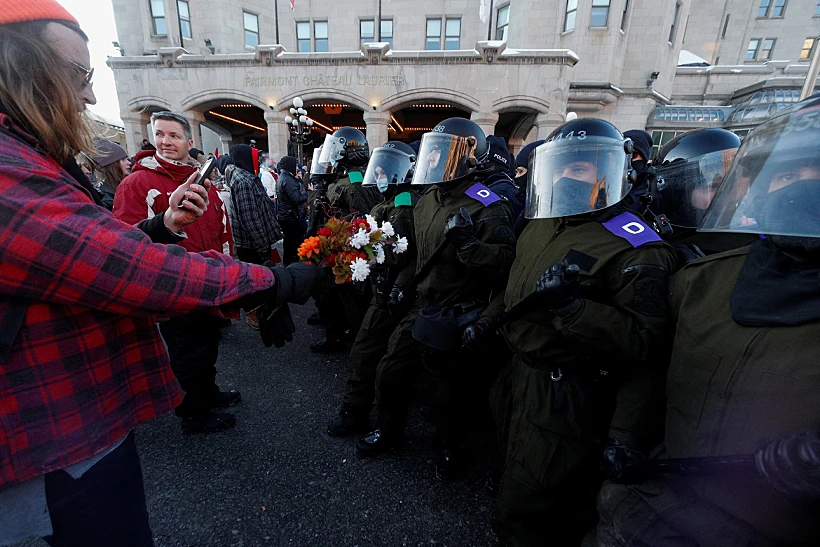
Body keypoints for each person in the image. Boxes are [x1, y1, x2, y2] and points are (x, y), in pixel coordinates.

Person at [0, 3, 319, 544]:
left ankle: (206, 396)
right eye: (78, 77)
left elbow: (95, 249)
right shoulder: (12, 169)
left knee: (204, 357)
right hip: (51, 439)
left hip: (78, 422)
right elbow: (121, 266)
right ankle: (197, 408)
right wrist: (272, 281)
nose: (91, 97)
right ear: (20, 68)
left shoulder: (31, 157)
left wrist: (164, 225)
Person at [588, 95, 820, 547]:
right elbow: (652, 369)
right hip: (666, 500)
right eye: (787, 174)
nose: (801, 189)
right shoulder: (703, 280)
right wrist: (624, 440)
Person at [478, 118, 676, 546]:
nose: (568, 176)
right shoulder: (543, 222)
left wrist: (574, 309)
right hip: (518, 373)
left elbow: (647, 344)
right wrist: (487, 321)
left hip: (565, 392)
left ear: (607, 172)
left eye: (581, 168)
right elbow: (516, 288)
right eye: (563, 167)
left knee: (532, 504)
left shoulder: (634, 246)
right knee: (513, 468)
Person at [356, 118, 517, 482]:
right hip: (422, 303)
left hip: (461, 309)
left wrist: (471, 247)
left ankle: (452, 448)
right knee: (390, 369)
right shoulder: (428, 199)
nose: (431, 162)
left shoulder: (488, 206)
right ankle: (389, 430)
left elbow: (507, 264)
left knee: (448, 394)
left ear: (468, 159)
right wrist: (402, 284)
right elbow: (417, 251)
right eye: (433, 154)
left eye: (441, 155)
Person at [114, 111, 241, 434]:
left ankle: (207, 394)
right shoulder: (137, 183)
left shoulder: (205, 184)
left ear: (189, 141)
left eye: (173, 135)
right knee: (187, 352)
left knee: (208, 343)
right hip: (171, 287)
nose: (165, 141)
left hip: (208, 282)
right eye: (160, 134)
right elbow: (125, 240)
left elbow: (222, 233)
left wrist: (229, 280)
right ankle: (194, 414)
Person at [327, 141, 418, 436]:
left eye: (384, 171)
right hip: (382, 287)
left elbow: (401, 252)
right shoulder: (389, 203)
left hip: (391, 290)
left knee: (366, 352)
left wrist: (364, 246)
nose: (379, 175)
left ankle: (357, 414)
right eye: (377, 169)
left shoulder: (402, 206)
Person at [312, 127, 379, 353]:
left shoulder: (354, 182)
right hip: (338, 248)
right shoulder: (346, 178)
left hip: (350, 251)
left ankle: (362, 345)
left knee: (352, 301)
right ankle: (336, 336)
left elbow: (363, 218)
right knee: (331, 296)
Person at [648, 128, 757, 258]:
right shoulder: (656, 250)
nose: (728, 194)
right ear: (679, 196)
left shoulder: (753, 238)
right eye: (713, 186)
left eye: (730, 184)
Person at [276, 155, 307, 264]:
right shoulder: (287, 180)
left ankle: (289, 265)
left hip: (287, 216)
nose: (297, 168)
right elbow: (297, 199)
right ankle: (294, 267)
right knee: (293, 245)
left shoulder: (284, 177)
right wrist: (308, 193)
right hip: (291, 218)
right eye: (295, 165)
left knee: (289, 244)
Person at [84, 137, 131, 210]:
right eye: (122, 159)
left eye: (127, 159)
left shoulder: (118, 186)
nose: (129, 163)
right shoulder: (105, 197)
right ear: (111, 165)